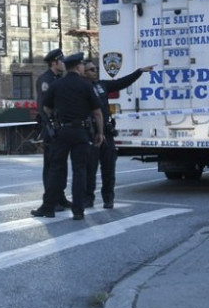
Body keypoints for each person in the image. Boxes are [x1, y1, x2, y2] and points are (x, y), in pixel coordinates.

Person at [32, 52, 103, 221]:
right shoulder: (86, 85)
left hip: (62, 131)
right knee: (79, 171)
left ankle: (48, 207)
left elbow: (46, 108)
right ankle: (78, 210)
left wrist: (58, 115)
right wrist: (99, 133)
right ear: (79, 67)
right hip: (81, 132)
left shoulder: (57, 84)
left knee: (56, 169)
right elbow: (97, 112)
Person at [83, 60, 155, 208]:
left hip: (107, 133)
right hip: (90, 133)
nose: (95, 71)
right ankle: (88, 198)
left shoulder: (101, 85)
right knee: (90, 168)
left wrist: (139, 71)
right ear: (83, 73)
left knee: (109, 168)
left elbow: (122, 83)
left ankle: (108, 198)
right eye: (91, 69)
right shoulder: (81, 88)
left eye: (96, 68)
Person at [36, 48, 72, 209]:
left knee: (61, 164)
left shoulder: (59, 78)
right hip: (51, 128)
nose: (64, 64)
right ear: (54, 62)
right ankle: (52, 199)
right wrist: (51, 126)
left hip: (61, 127)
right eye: (61, 61)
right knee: (51, 166)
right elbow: (43, 107)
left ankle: (60, 196)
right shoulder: (46, 80)